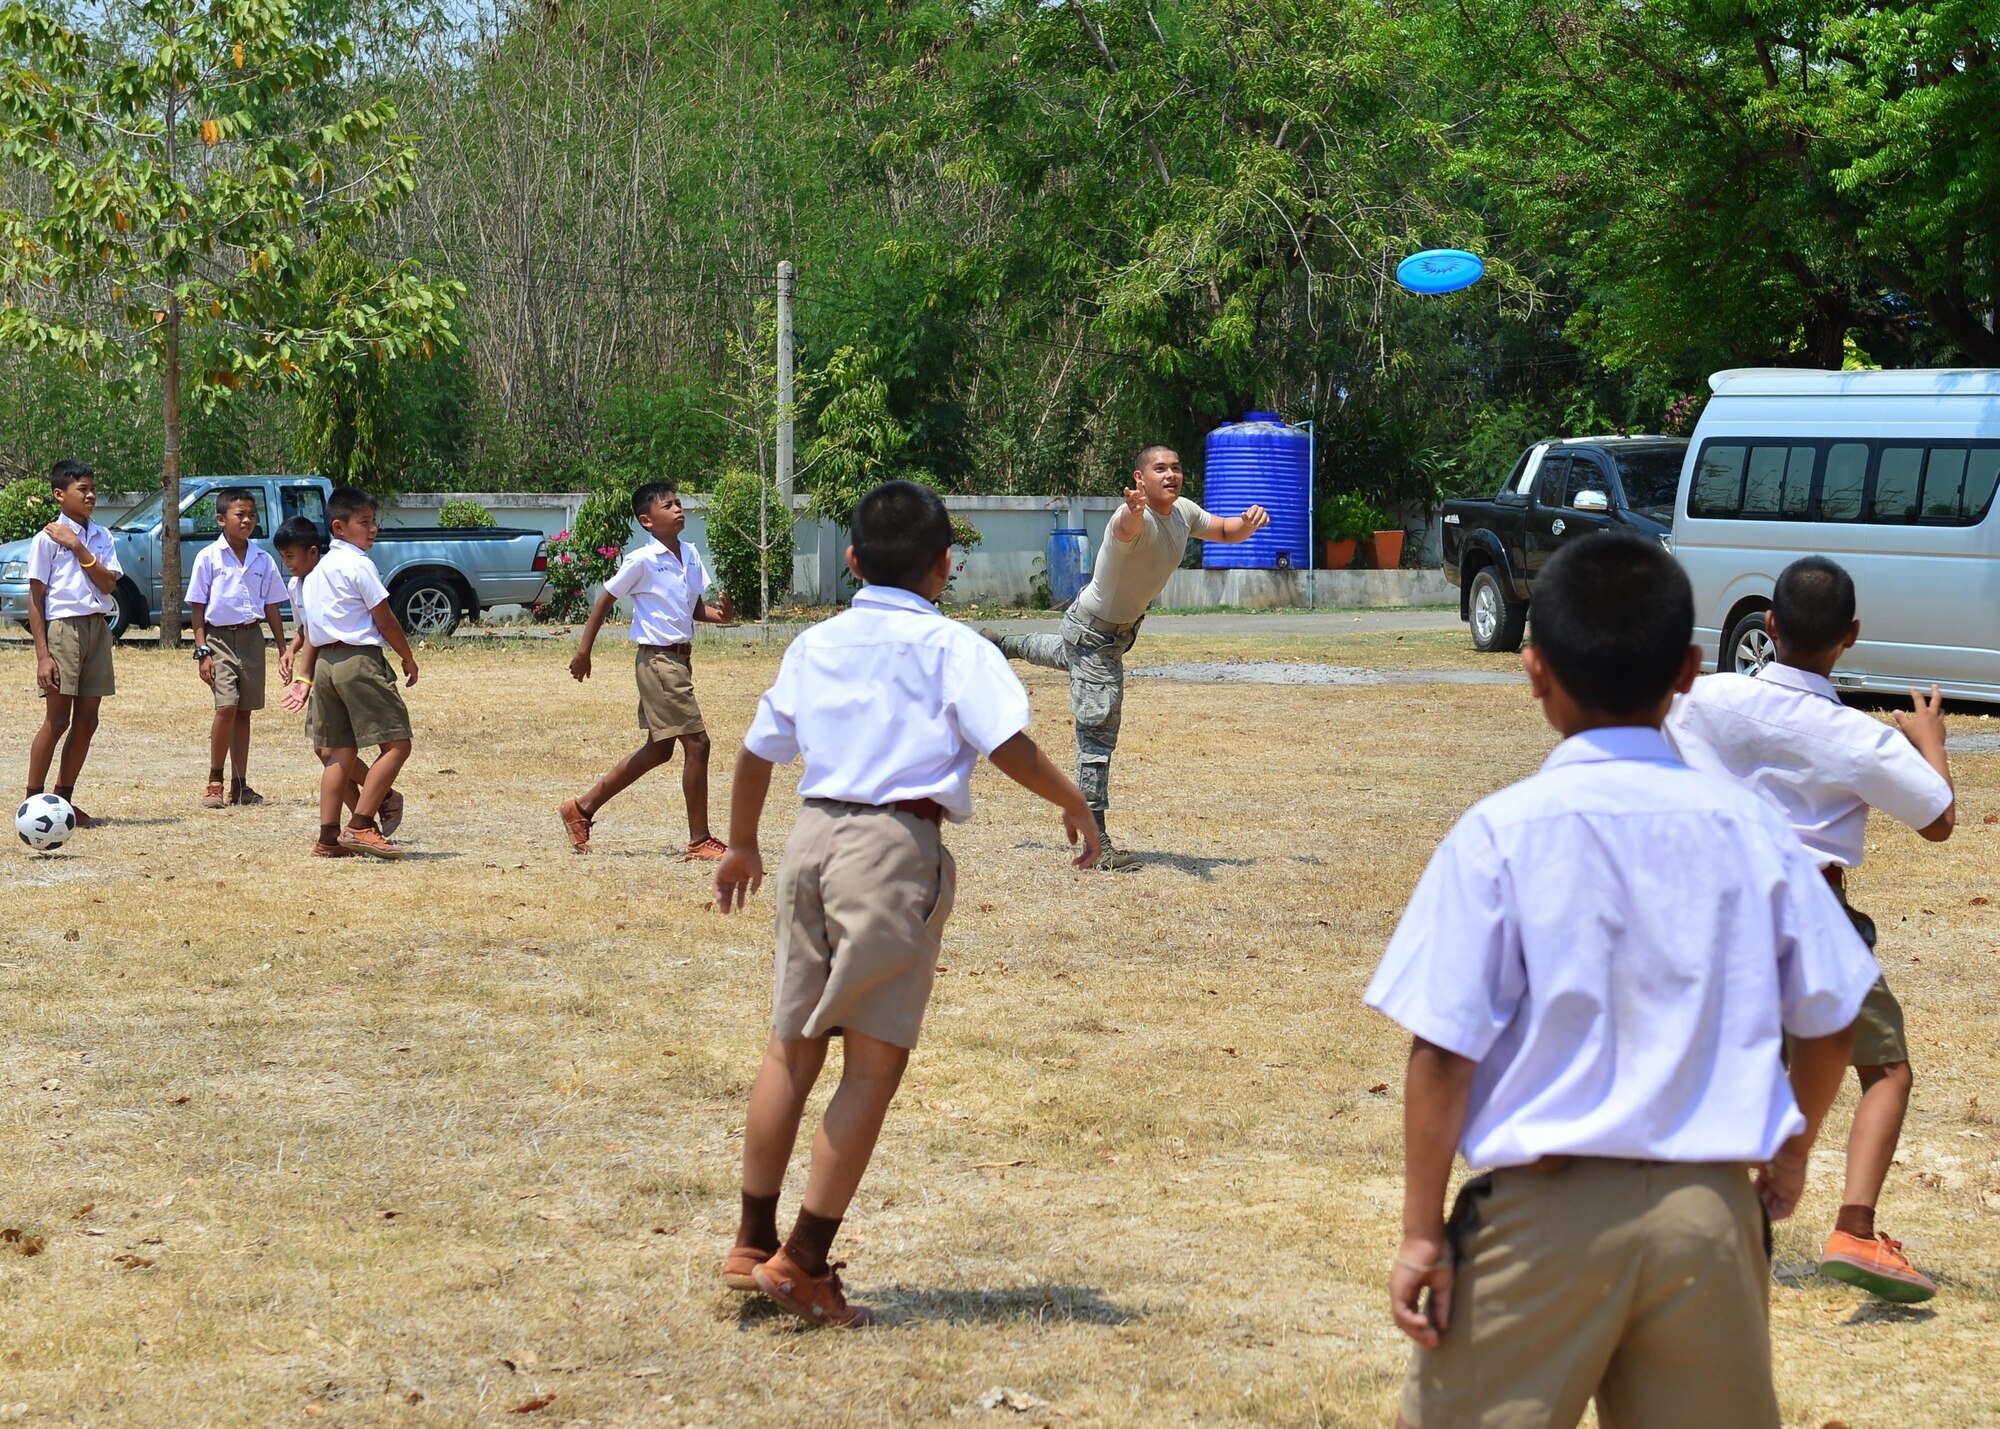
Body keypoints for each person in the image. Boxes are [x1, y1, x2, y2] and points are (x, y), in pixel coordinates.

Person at [1366, 535, 1878, 1429]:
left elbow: (1444, 1053)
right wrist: (1793, 1145)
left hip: (1541, 1217)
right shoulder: (1752, 831)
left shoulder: (1501, 833)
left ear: (1533, 670)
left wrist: (1420, 1233)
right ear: (1687, 670)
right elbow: (1833, 1020)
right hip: (1707, 1217)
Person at [713, 480, 1100, 1328]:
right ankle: (804, 1261)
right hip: (890, 851)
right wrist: (1072, 801)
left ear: (850, 560)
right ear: (944, 566)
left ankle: (751, 1238)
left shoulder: (816, 645)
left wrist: (741, 842)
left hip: (811, 839)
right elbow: (1009, 745)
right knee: (874, 1062)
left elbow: (755, 752)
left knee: (792, 1047)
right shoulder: (953, 648)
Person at [1666, 556, 1954, 1304]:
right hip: (1813, 916)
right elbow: (1939, 819)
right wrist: (1931, 740)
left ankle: (1694, 1226)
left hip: (1718, 913)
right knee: (1885, 1069)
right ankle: (1854, 1226)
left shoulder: (1700, 699)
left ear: (1768, 624)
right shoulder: (1858, 737)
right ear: (1850, 635)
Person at [988, 444, 1269, 869]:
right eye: (1160, 469)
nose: (1170, 475)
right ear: (1140, 479)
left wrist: (1247, 525)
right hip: (1096, 637)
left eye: (1176, 468)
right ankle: (1096, 844)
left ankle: (1002, 644)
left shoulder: (1184, 513)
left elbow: (1225, 531)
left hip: (1095, 632)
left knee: (1062, 653)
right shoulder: (1130, 518)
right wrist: (1134, 509)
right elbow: (1125, 527)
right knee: (1097, 735)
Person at [559, 482, 732, 859]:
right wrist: (584, 651)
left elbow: (693, 608)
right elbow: (605, 599)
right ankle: (699, 840)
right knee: (698, 744)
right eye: (667, 506)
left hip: (680, 660)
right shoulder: (642, 560)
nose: (678, 509)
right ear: (647, 521)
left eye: (679, 503)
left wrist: (722, 615)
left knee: (659, 751)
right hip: (658, 661)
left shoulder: (689, 554)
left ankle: (581, 808)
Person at [275, 490, 419, 859]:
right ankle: (361, 825)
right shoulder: (357, 565)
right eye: (364, 522)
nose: (373, 529)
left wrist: (305, 678)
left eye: (374, 521)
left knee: (337, 752)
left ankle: (328, 838)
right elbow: (383, 616)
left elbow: (310, 632)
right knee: (397, 744)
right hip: (358, 660)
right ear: (339, 527)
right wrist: (406, 656)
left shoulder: (313, 574)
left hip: (325, 665)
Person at [24, 459, 121, 828]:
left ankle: (63, 800)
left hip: (97, 628)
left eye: (92, 487)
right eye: (82, 489)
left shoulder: (101, 537)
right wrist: (43, 655)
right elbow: (37, 598)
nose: (91, 494)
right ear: (59, 495)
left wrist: (79, 546)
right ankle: (33, 801)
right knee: (57, 719)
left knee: (88, 720)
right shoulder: (45, 539)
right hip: (63, 630)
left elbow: (109, 583)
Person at [186, 488, 288, 808]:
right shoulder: (208, 557)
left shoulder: (263, 558)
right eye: (239, 514)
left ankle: (240, 785)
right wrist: (202, 650)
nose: (246, 520)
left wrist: (283, 648)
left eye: (251, 515)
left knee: (244, 712)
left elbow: (272, 606)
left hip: (251, 639)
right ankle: (215, 780)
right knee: (226, 705)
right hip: (218, 639)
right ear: (221, 519)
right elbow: (198, 608)